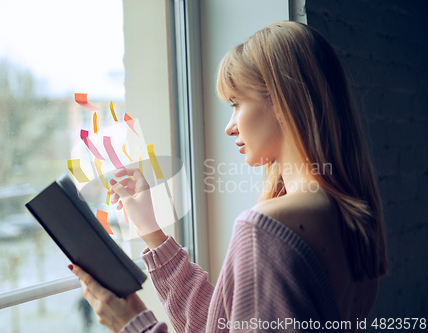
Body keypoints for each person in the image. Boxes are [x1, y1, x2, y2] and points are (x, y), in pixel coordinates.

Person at [68, 21, 388, 333]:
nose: (229, 126)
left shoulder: (266, 228)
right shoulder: (351, 217)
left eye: (236, 103)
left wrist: (133, 325)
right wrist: (152, 233)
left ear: (282, 100)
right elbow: (222, 324)